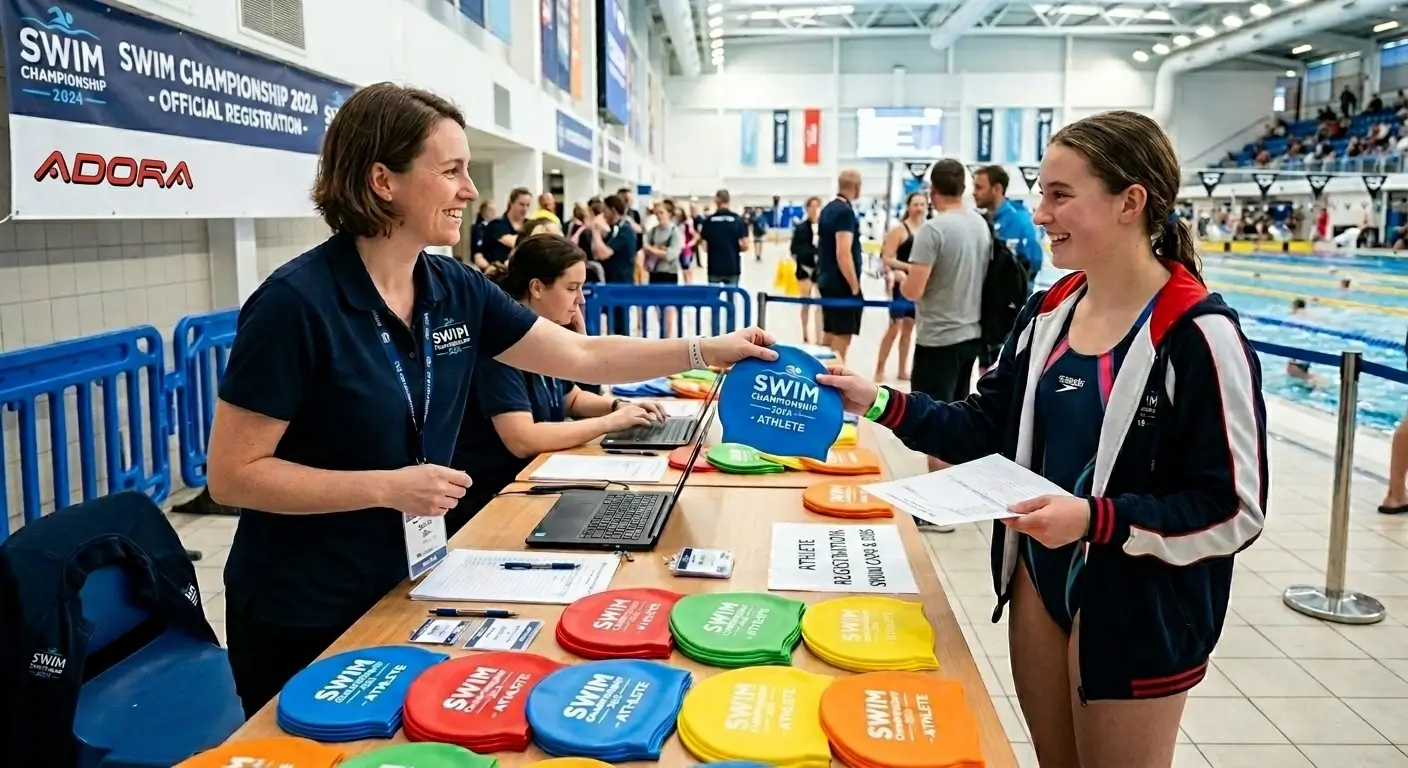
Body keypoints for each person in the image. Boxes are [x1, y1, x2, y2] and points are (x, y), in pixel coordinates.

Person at [205, 82, 777, 720]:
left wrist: (706, 350)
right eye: (451, 171)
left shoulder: (454, 288)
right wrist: (386, 487)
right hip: (304, 602)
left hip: (410, 574)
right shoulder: (296, 304)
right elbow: (234, 476)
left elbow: (583, 356)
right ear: (382, 181)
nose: (470, 191)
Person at [818, 110, 1267, 768]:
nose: (1040, 209)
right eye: (1041, 191)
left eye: (1060, 194)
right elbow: (980, 425)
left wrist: (1094, 519)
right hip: (1038, 581)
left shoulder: (1198, 335)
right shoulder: (1049, 312)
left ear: (1129, 203)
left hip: (1138, 602)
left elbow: (1234, 510)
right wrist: (877, 399)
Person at [450, 234, 666, 534]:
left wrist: (619, 406)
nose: (581, 300)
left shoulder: (545, 339)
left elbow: (570, 399)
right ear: (536, 287)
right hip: (494, 501)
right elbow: (523, 438)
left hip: (534, 481)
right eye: (572, 289)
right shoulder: (499, 349)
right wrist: (610, 422)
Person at [901, 159, 991, 422]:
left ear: (932, 191)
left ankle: (941, 466)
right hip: (971, 334)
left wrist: (902, 278)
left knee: (932, 426)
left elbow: (913, 291)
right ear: (963, 188)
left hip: (938, 339)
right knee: (956, 419)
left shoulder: (933, 230)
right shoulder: (979, 224)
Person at [875, 192, 926, 382]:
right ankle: (879, 368)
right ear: (908, 207)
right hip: (900, 283)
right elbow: (887, 257)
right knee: (894, 327)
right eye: (915, 204)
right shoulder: (899, 230)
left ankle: (902, 369)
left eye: (922, 204)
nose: (919, 208)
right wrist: (907, 268)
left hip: (916, 285)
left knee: (909, 328)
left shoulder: (927, 230)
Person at [816, 169, 865, 360]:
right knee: (842, 335)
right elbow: (843, 252)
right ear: (856, 187)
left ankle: (817, 376)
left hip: (826, 279)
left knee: (829, 332)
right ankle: (834, 380)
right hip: (841, 284)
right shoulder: (846, 213)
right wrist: (854, 287)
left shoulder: (828, 209)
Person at [973, 165, 1044, 293]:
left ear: (997, 189)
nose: (974, 192)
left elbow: (1034, 260)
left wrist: (1016, 294)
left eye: (979, 187)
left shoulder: (1019, 220)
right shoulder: (981, 221)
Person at [600, 194, 639, 332]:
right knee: (612, 321)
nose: (603, 214)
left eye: (605, 210)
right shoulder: (613, 230)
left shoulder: (624, 231)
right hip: (611, 281)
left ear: (613, 210)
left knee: (620, 323)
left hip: (621, 282)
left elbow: (602, 253)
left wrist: (594, 230)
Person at [700, 189, 749, 286]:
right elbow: (746, 245)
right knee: (731, 298)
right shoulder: (737, 220)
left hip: (714, 266)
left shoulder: (709, 221)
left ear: (716, 201)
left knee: (713, 298)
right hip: (732, 266)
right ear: (729, 200)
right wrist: (734, 248)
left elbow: (704, 247)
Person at [790, 196, 822, 343]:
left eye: (817, 206)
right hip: (805, 270)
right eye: (812, 206)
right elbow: (794, 250)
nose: (814, 210)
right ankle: (805, 333)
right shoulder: (801, 228)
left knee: (821, 306)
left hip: (821, 271)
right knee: (806, 304)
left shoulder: (824, 228)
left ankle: (819, 336)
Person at [481, 187, 531, 267]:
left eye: (528, 205)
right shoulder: (496, 225)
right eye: (521, 204)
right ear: (511, 203)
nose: (525, 209)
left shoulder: (530, 226)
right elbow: (481, 254)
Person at [675, 207, 699, 285]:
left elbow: (695, 235)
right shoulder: (676, 224)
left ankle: (689, 284)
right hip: (679, 248)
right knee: (683, 268)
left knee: (687, 267)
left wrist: (689, 244)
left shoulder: (687, 223)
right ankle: (687, 283)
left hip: (686, 248)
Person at [469, 201, 496, 269]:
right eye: (490, 210)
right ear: (484, 212)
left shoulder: (496, 227)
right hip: (483, 264)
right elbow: (477, 250)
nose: (493, 212)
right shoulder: (479, 228)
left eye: (494, 210)